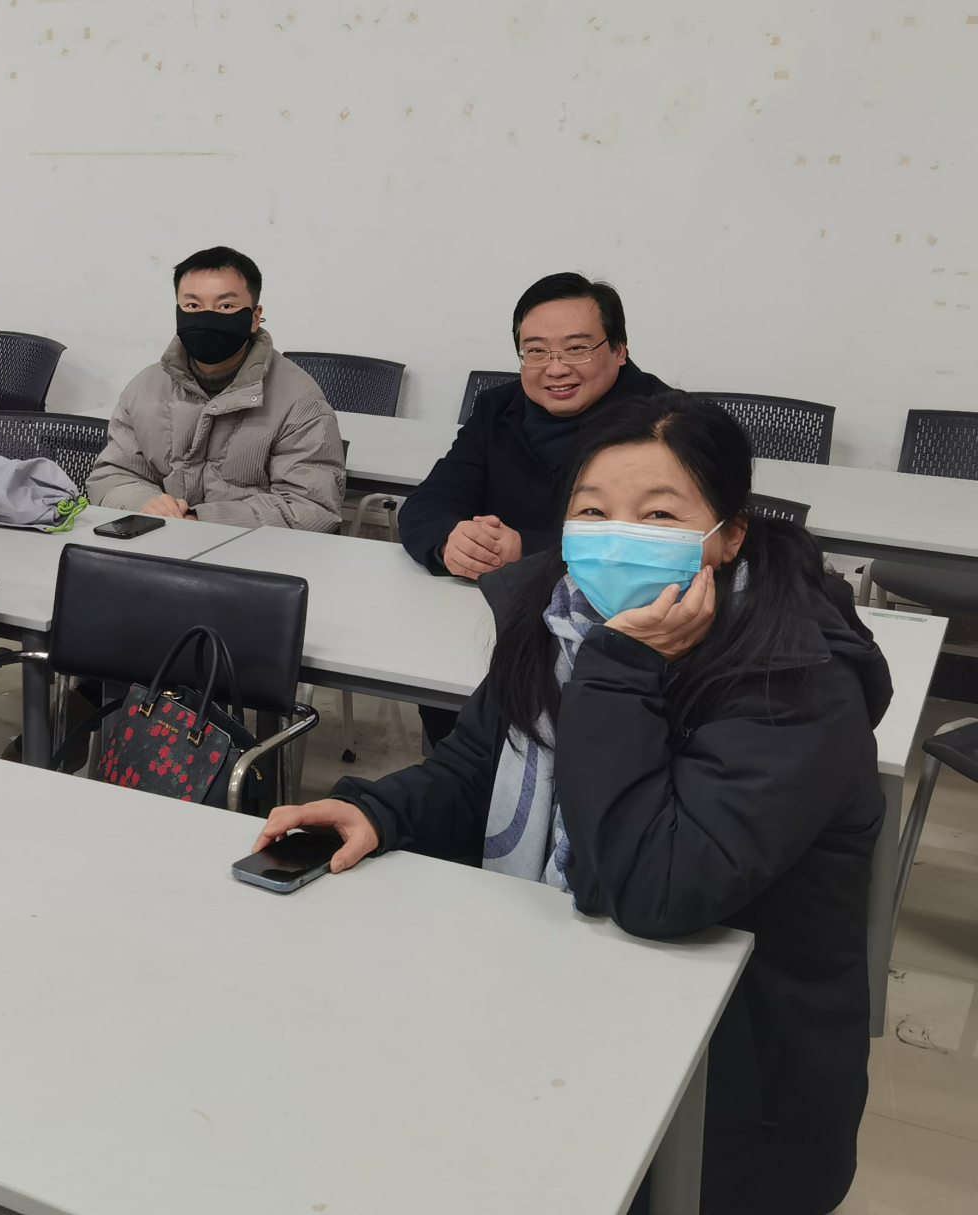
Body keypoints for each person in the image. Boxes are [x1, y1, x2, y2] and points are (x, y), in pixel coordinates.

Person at [256, 393, 888, 1215]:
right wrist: (382, 810)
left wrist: (620, 668)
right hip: (555, 1001)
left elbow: (660, 888)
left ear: (729, 534)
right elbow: (477, 763)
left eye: (659, 514)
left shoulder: (796, 681)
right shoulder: (558, 614)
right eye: (593, 510)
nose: (618, 534)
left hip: (728, 1081)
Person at [399, 272, 669, 743]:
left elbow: (659, 544)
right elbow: (429, 501)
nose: (555, 368)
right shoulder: (496, 409)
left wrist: (527, 549)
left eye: (577, 348)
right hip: (490, 624)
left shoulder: (666, 422)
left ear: (619, 350)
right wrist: (451, 540)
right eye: (536, 351)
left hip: (618, 635)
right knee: (455, 719)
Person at [86, 246, 345, 530]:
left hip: (252, 552)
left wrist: (201, 520)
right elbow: (112, 475)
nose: (207, 318)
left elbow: (311, 507)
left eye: (225, 307)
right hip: (157, 542)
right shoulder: (145, 388)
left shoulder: (300, 400)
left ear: (254, 317)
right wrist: (145, 503)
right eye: (193, 306)